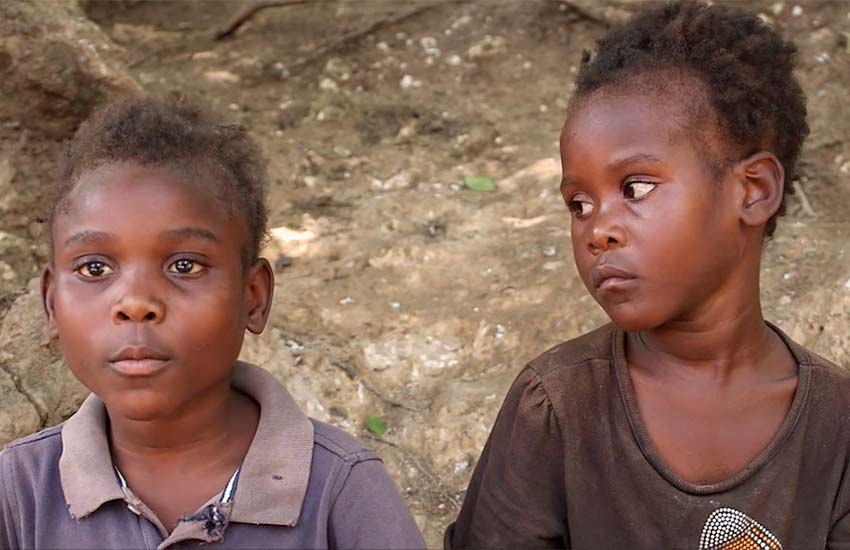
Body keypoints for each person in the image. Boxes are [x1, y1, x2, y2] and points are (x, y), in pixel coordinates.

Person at [447, 1, 850, 548]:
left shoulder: (837, 428)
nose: (598, 230)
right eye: (579, 204)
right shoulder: (556, 407)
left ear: (752, 190)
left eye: (635, 187)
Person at [0, 96, 425, 549]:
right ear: (51, 305)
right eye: (95, 269)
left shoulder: (339, 491)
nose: (136, 304)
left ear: (253, 297)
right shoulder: (19, 491)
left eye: (184, 266)